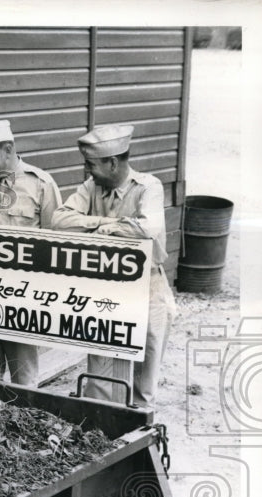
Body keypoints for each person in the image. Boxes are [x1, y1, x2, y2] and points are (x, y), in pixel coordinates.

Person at [51, 124, 177, 407]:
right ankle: (103, 430)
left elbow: (148, 229)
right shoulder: (91, 187)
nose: (87, 171)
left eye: (91, 164)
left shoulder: (148, 186)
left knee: (144, 375)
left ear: (112, 162)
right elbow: (59, 219)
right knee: (101, 373)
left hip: (148, 287)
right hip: (105, 288)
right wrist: (107, 223)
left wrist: (102, 233)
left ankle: (137, 435)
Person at [0, 119, 62, 386]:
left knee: (24, 380)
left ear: (8, 149)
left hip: (24, 299)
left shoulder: (40, 185)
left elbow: (58, 246)